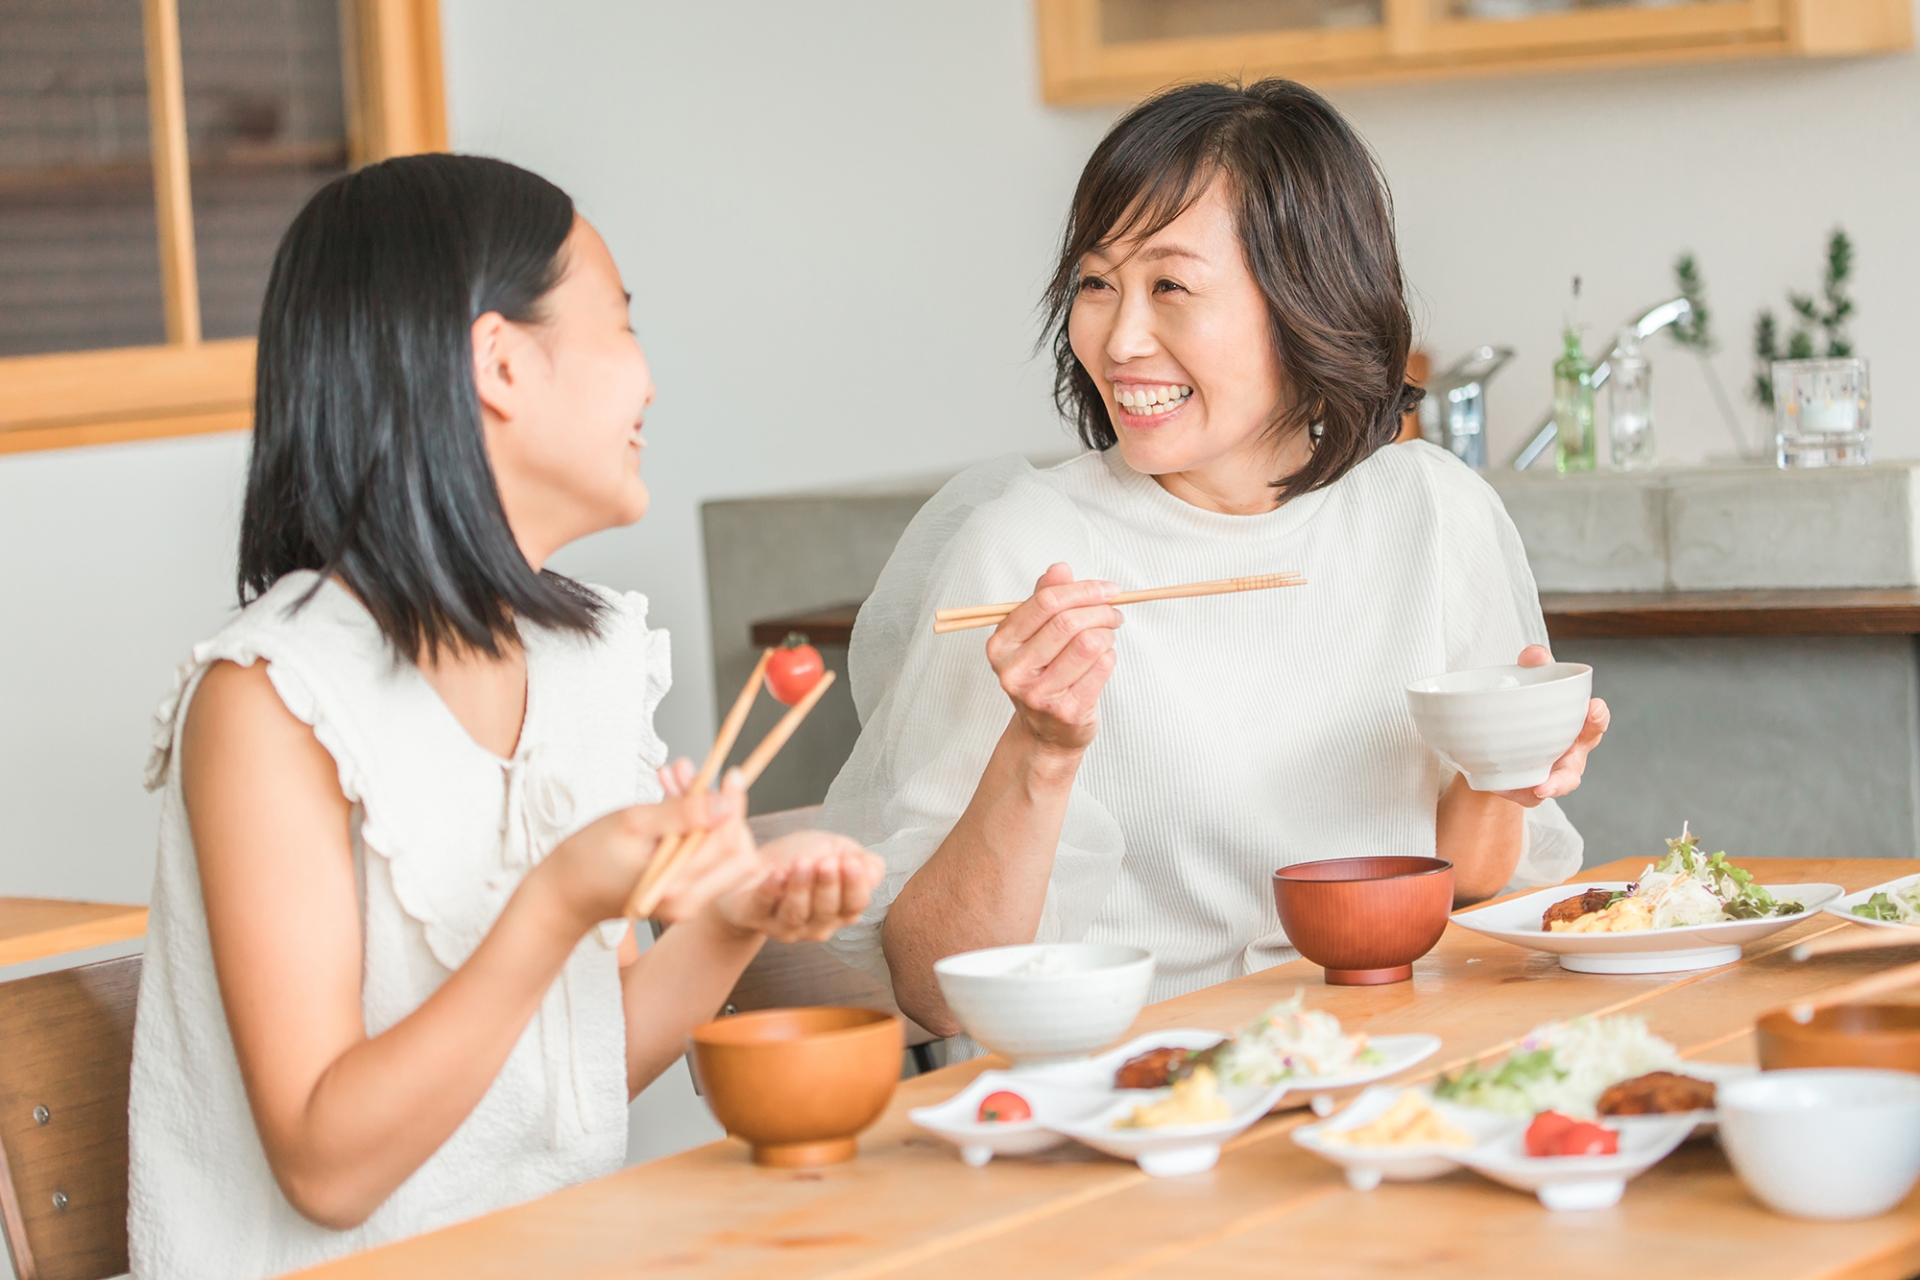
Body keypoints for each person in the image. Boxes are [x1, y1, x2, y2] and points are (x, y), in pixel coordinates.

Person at [129, 154, 883, 1280]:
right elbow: (327, 1169)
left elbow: (574, 1083)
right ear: (500, 363)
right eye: (622, 323)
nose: (648, 379)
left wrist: (736, 916)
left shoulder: (586, 659)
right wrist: (559, 899)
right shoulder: (273, 697)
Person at [818, 80, 1608, 1045]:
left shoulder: (1432, 511)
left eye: (1170, 287)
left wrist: (1505, 767)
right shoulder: (1028, 549)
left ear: (1305, 298)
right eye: (1097, 283)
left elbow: (1470, 884)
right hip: (1136, 1084)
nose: (1119, 339)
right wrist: (1040, 748)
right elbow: (938, 992)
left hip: (1379, 1057)